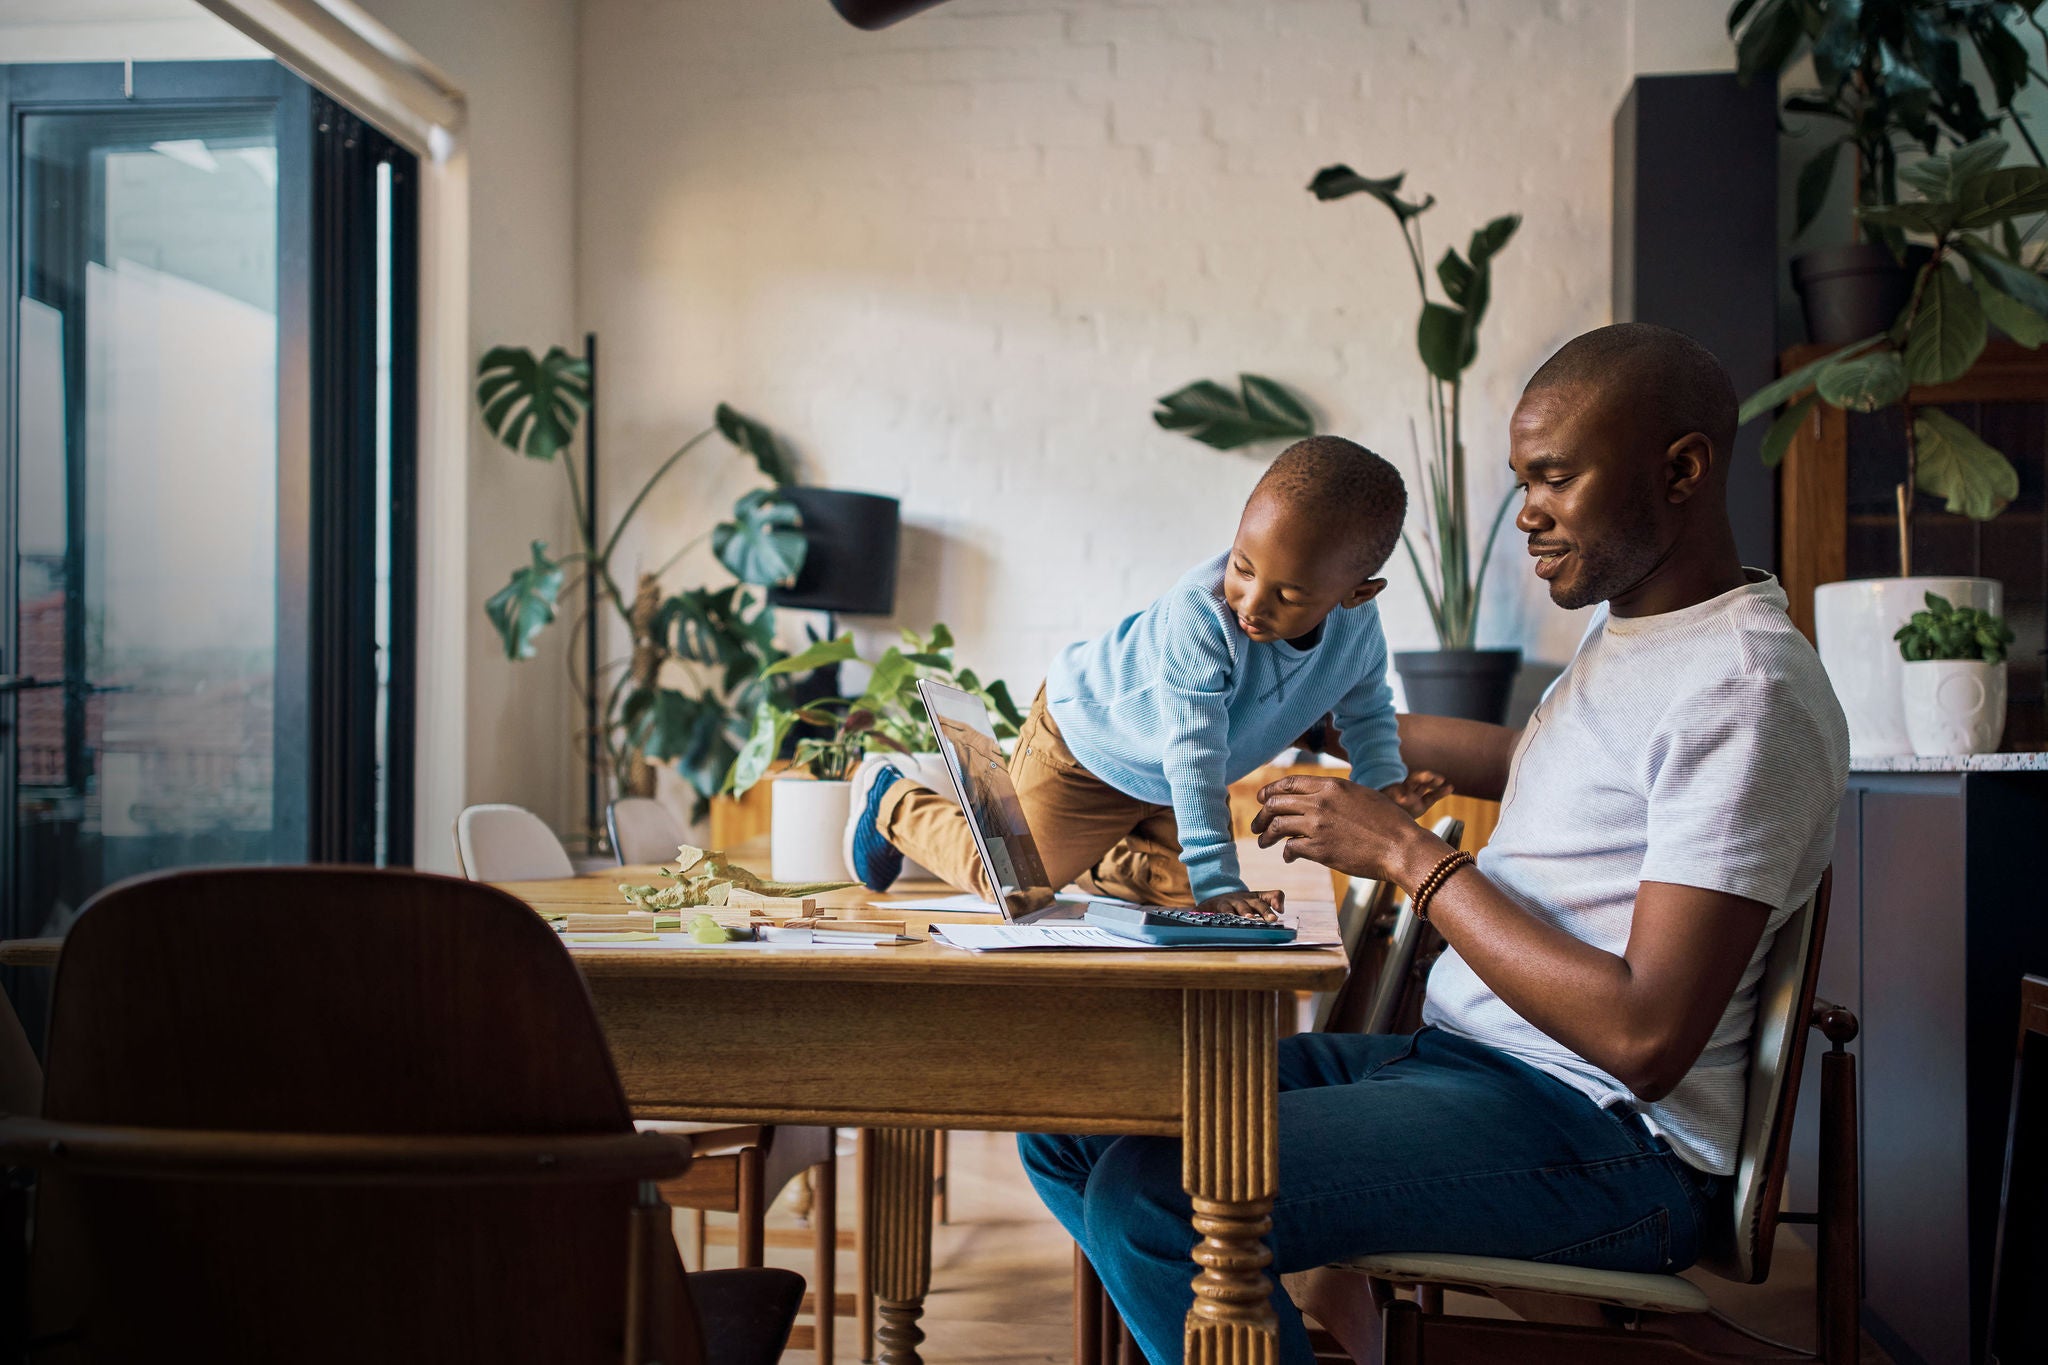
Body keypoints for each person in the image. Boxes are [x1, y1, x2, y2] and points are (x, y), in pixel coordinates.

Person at [1019, 323, 1850, 1364]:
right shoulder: (1641, 637)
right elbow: (1553, 771)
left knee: (1160, 1200)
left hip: (1599, 1137)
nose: (1528, 519)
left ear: (1679, 469)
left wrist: (1411, 857)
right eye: (1521, 484)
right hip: (1463, 1067)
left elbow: (1645, 1037)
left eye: (1553, 480)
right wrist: (1316, 717)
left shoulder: (1743, 691)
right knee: (1063, 1123)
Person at [840, 436, 1450, 918]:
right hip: (1086, 745)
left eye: (1288, 593)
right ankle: (890, 797)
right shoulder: (1200, 615)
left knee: (1191, 903)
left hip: (1164, 782)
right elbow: (1193, 752)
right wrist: (1216, 880)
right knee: (1015, 886)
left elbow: (1368, 713)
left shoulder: (1359, 631)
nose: (1252, 603)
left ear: (1356, 593)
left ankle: (1092, 854)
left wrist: (1380, 795)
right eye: (1242, 565)